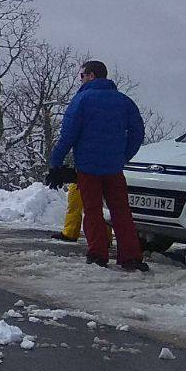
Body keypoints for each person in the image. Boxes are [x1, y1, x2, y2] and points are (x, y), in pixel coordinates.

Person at [47, 60, 148, 271]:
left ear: (91, 75)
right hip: (114, 167)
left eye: (81, 75)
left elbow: (68, 135)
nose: (80, 80)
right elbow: (137, 132)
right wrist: (123, 156)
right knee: (121, 211)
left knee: (92, 211)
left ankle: (98, 254)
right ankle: (131, 257)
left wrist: (55, 163)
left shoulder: (81, 100)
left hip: (88, 167)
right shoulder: (124, 101)